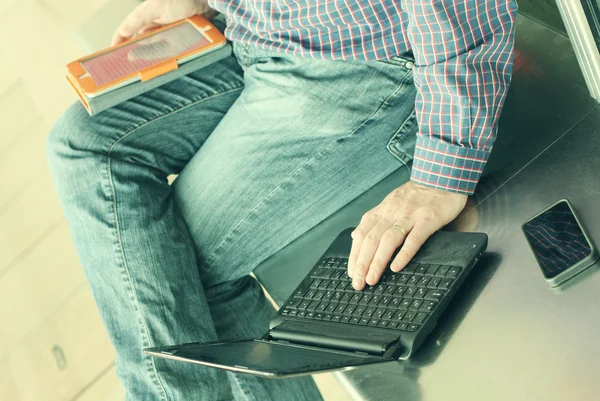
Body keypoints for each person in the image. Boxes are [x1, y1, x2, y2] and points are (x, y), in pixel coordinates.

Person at [46, 0, 518, 400]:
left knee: (183, 273)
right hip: (253, 31)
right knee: (81, 142)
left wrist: (442, 171)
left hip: (356, 59)